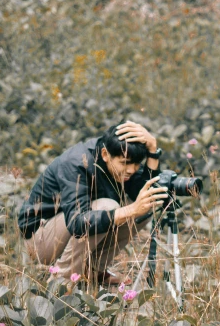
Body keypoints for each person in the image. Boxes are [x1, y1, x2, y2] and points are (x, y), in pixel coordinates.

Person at [17, 121, 168, 285]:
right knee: (107, 207)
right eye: (125, 163)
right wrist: (130, 210)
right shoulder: (76, 163)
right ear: (105, 154)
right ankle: (60, 282)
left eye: (136, 164)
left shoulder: (118, 157)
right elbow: (78, 223)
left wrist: (153, 150)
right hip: (41, 239)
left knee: (145, 205)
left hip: (68, 230)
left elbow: (145, 192)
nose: (131, 170)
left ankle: (92, 271)